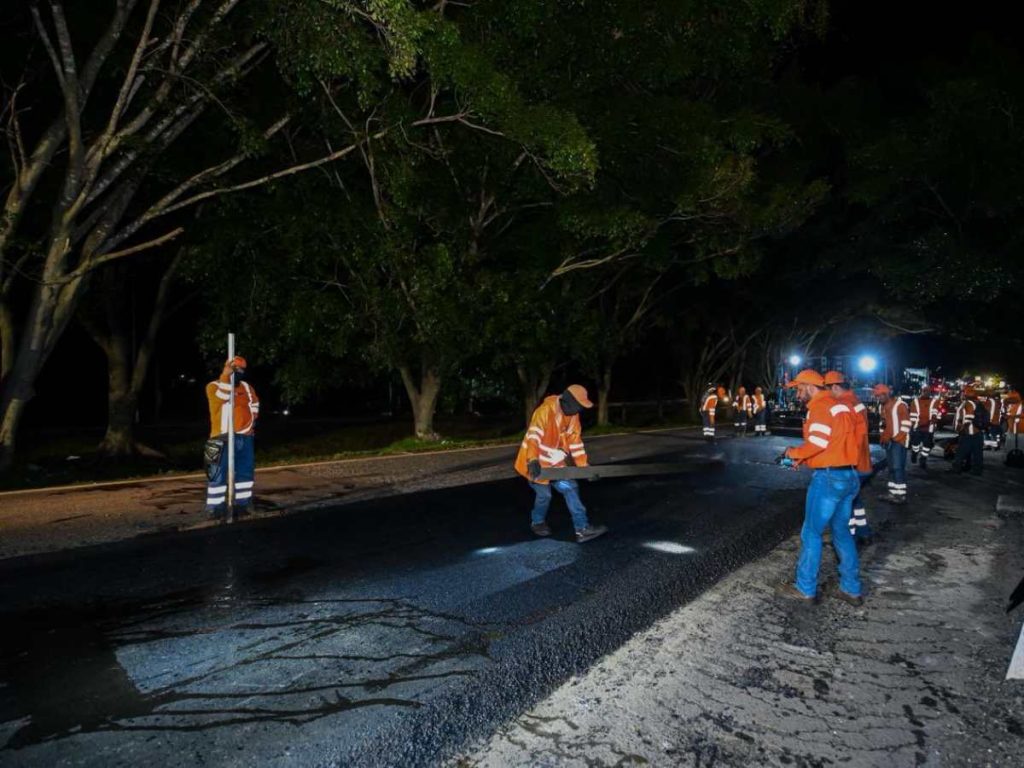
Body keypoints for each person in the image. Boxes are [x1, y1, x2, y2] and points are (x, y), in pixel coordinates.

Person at [775, 369, 864, 606]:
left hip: (828, 480)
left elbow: (817, 442)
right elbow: (835, 443)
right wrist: (804, 459)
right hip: (849, 475)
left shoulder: (820, 406)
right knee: (842, 533)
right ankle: (852, 589)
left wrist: (792, 453)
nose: (797, 393)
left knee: (811, 533)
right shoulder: (840, 406)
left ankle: (805, 588)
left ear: (811, 387)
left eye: (799, 388)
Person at [514, 385, 608, 543]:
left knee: (571, 487)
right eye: (579, 405)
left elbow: (576, 443)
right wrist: (532, 460)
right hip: (535, 464)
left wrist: (585, 469)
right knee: (544, 495)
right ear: (567, 402)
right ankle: (537, 522)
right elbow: (533, 437)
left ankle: (582, 529)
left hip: (554, 463)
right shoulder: (545, 411)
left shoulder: (573, 416)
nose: (580, 410)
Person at [204, 356, 260, 519]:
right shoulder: (213, 386)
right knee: (216, 473)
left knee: (245, 472)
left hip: (244, 437)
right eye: (236, 369)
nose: (239, 373)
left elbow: (254, 404)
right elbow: (222, 397)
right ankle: (215, 508)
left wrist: (251, 425)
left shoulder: (247, 387)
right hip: (219, 437)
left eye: (241, 370)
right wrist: (226, 375)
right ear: (228, 368)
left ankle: (244, 504)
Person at [825, 371, 874, 542]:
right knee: (855, 499)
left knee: (843, 503)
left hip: (851, 464)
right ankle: (863, 530)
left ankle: (848, 535)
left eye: (827, 389)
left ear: (836, 387)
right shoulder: (857, 402)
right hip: (862, 461)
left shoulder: (845, 405)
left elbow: (847, 438)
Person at [874, 384, 910, 504]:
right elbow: (883, 425)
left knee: (897, 467)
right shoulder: (883, 407)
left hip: (898, 442)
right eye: (877, 396)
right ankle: (892, 493)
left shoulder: (900, 405)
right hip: (890, 441)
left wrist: (897, 439)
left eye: (881, 395)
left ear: (887, 393)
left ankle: (900, 495)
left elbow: (906, 425)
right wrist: (883, 438)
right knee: (891, 468)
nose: (879, 398)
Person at [951, 386, 984, 475]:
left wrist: (962, 429)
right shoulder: (976, 403)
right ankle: (977, 470)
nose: (961, 394)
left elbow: (969, 417)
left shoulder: (968, 403)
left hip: (968, 432)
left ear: (966, 394)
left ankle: (956, 469)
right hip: (976, 432)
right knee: (977, 453)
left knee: (960, 452)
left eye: (963, 393)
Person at [909, 385, 940, 470]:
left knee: (927, 446)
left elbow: (935, 412)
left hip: (929, 429)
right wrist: (912, 426)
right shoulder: (915, 402)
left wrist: (934, 419)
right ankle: (915, 453)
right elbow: (912, 415)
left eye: (928, 391)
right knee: (915, 445)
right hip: (918, 428)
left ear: (930, 392)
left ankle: (923, 460)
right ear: (921, 391)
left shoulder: (934, 401)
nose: (926, 393)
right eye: (925, 391)